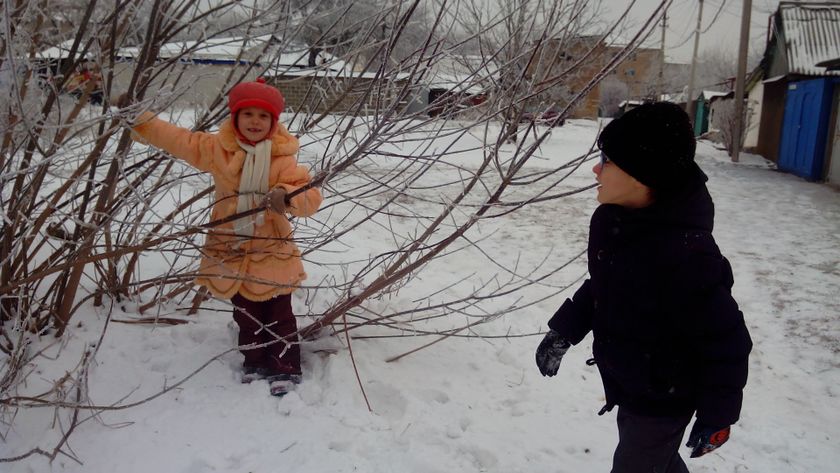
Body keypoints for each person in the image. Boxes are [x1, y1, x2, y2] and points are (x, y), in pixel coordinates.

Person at [535, 102, 752, 472]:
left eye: (607, 161)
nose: (595, 168)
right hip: (633, 381)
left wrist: (718, 417)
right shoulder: (618, 222)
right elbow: (604, 286)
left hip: (664, 396)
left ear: (642, 175)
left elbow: (727, 340)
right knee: (656, 462)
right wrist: (564, 331)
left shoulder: (687, 256)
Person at [124, 78, 323, 396]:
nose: (255, 122)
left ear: (273, 122)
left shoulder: (282, 158)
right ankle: (256, 361)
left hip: (271, 248)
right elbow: (180, 140)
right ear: (235, 117)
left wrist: (286, 197)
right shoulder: (219, 150)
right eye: (248, 114)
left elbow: (309, 193)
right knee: (246, 312)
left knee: (280, 313)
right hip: (231, 245)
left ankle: (285, 367)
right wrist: (142, 119)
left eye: (263, 116)